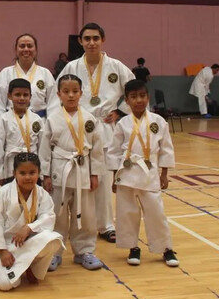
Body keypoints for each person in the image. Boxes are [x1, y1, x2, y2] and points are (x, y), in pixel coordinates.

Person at [53, 23, 134, 245]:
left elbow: (134, 88)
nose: (91, 42)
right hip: (77, 127)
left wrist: (121, 110)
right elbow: (55, 94)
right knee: (79, 179)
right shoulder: (71, 67)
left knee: (103, 180)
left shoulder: (116, 66)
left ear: (103, 40)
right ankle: (75, 225)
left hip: (105, 127)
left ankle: (106, 225)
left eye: (95, 38)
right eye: (87, 38)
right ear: (80, 41)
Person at [107, 80, 179, 268]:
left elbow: (166, 150)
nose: (138, 100)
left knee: (156, 213)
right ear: (127, 101)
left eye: (142, 96)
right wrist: (115, 177)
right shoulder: (122, 123)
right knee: (127, 213)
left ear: (148, 98)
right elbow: (114, 152)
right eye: (133, 97)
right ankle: (132, 247)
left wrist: (164, 174)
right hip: (127, 173)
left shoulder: (158, 122)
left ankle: (166, 248)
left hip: (150, 173)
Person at [40, 74, 105, 271]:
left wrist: (95, 174)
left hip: (83, 168)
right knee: (58, 215)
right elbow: (45, 149)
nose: (70, 95)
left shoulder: (90, 119)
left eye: (75, 91)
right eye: (66, 92)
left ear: (81, 93)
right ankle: (54, 252)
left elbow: (97, 148)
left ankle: (84, 250)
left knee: (85, 214)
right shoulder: (52, 119)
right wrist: (46, 175)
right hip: (60, 169)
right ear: (58, 94)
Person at [0, 152, 64, 291]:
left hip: (29, 242)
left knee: (54, 239)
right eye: (22, 173)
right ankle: (22, 265)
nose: (28, 177)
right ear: (14, 173)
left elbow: (48, 217)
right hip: (7, 245)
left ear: (39, 173)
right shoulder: (3, 193)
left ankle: (32, 266)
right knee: (4, 284)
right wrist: (2, 251)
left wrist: (29, 228)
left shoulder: (42, 194)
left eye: (32, 172)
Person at [0, 34, 56, 118]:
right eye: (22, 46)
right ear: (16, 50)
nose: (26, 49)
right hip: (11, 125)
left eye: (29, 46)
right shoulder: (5, 73)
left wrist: (50, 128)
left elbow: (53, 106)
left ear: (36, 50)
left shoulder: (45, 73)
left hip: (39, 125)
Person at [0, 79, 44, 184]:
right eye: (17, 94)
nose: (22, 98)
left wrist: (42, 173)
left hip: (32, 165)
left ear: (30, 96)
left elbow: (42, 148)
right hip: (11, 167)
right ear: (9, 96)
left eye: (25, 95)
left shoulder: (37, 119)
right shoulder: (4, 119)